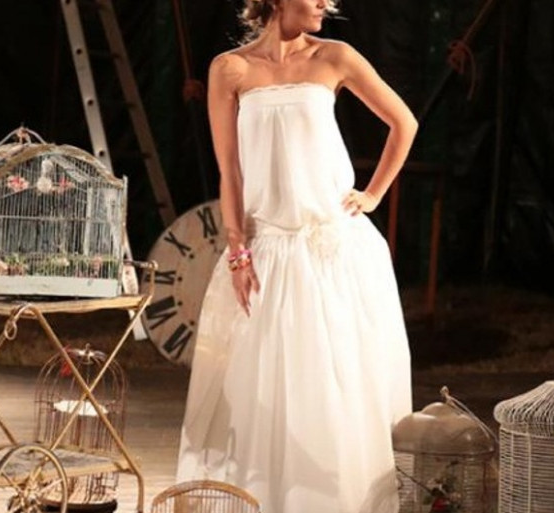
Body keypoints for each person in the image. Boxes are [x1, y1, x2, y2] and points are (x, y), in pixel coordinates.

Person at [176, 1, 417, 512]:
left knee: (336, 391)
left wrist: (372, 195)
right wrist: (238, 251)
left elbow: (404, 123)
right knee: (266, 394)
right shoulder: (230, 69)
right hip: (269, 252)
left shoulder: (335, 57)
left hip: (334, 250)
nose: (326, 4)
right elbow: (230, 170)